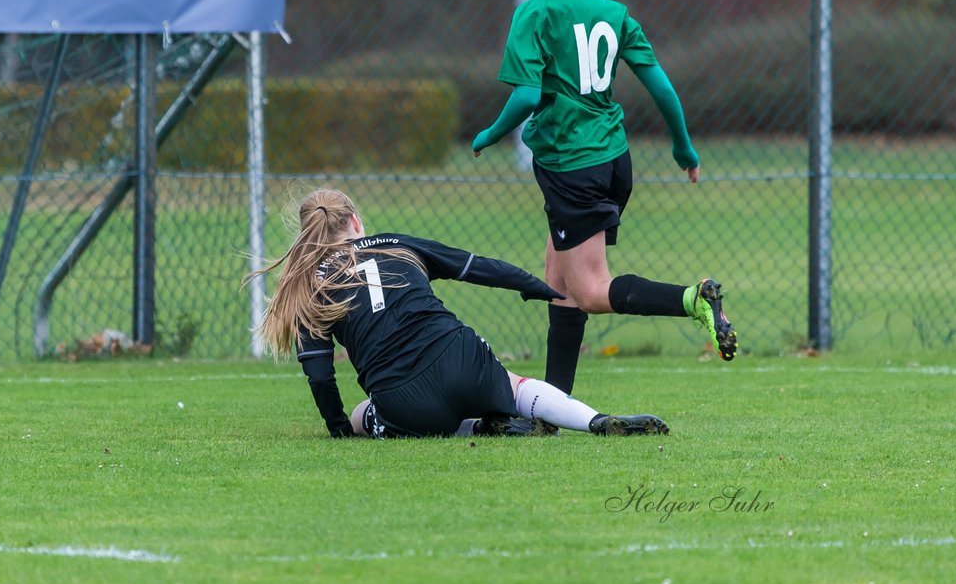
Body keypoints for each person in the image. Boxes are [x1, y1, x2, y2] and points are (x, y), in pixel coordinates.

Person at [473, 0, 738, 396]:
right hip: (615, 161)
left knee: (591, 291)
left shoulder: (534, 13)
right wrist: (684, 149)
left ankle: (693, 299)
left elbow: (528, 95)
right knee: (559, 282)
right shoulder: (613, 13)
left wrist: (488, 133)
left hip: (574, 165)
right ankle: (552, 407)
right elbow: (660, 86)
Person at [247, 188, 668, 439]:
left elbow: (320, 374)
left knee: (363, 415)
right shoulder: (394, 242)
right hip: (462, 358)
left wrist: (338, 428)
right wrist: (538, 288)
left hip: (403, 399)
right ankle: (594, 422)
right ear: (356, 222)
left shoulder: (309, 284)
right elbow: (479, 267)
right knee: (518, 387)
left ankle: (480, 429)